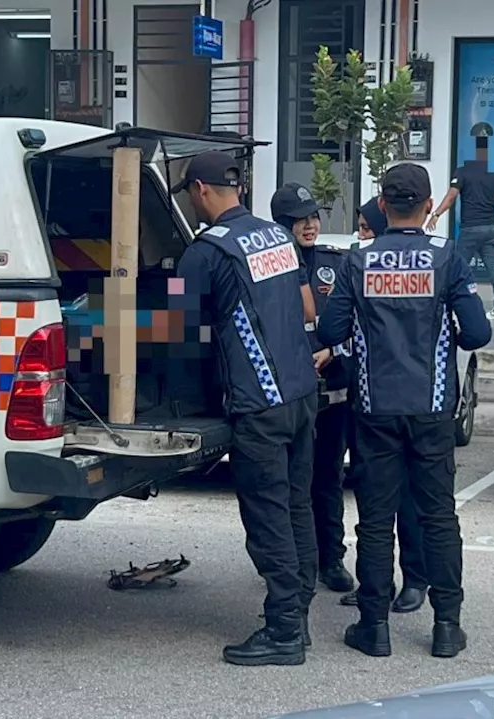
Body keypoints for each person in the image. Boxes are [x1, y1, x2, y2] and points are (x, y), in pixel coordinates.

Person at [319, 163, 493, 659]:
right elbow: (478, 334)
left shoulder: (359, 259)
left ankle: (373, 627)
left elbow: (331, 332)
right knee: (438, 516)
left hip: (374, 408)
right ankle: (446, 627)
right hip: (432, 407)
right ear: (428, 202)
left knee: (375, 520)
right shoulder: (447, 257)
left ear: (382, 202)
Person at [174, 152, 319, 667]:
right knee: (296, 507)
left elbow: (177, 325)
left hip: (259, 403)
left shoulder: (205, 250)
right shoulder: (275, 235)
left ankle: (283, 631)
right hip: (303, 394)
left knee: (267, 517)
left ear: (200, 191)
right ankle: (298, 615)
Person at [339, 196, 430, 614]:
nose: (361, 235)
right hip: (371, 397)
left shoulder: (419, 263)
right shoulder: (357, 266)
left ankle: (415, 578)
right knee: (373, 505)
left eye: (364, 226)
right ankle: (374, 583)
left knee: (409, 500)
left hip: (414, 400)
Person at [269, 182, 354, 595]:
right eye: (299, 219)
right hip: (286, 393)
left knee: (328, 476)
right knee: (287, 481)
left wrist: (335, 350)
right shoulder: (267, 266)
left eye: (314, 217)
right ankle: (290, 560)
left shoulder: (336, 263)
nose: (309, 225)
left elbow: (356, 320)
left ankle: (330, 557)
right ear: (281, 224)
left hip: (332, 392)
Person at [427, 135, 494, 320]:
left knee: (456, 267)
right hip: (491, 227)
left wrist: (436, 214)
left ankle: (447, 306)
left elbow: (451, 197)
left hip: (471, 227)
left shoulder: (462, 172)